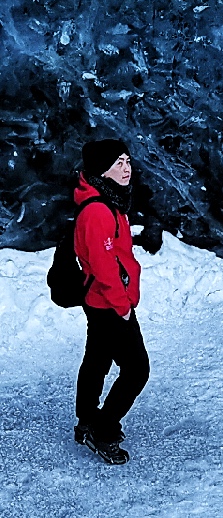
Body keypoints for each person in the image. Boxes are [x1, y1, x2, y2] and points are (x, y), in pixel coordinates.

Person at [73, 138, 150, 466]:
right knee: (137, 370)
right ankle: (102, 431)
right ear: (101, 169)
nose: (126, 167)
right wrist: (122, 306)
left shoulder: (107, 201)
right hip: (108, 304)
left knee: (98, 359)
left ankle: (88, 421)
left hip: (103, 300)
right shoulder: (98, 211)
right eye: (118, 162)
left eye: (127, 161)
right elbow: (105, 267)